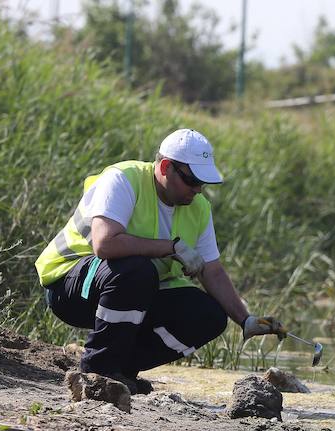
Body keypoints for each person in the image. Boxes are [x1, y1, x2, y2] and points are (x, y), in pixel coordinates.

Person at [35, 128, 286, 394]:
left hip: (132, 291)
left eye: (202, 183)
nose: (198, 190)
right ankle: (98, 371)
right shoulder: (123, 180)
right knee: (137, 270)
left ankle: (123, 369)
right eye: (191, 181)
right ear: (166, 167)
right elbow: (104, 243)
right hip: (70, 286)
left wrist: (245, 320)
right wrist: (170, 248)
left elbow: (212, 271)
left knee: (210, 316)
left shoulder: (198, 207)